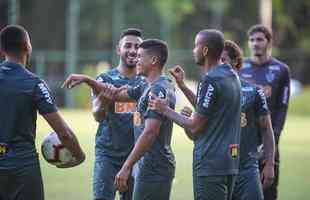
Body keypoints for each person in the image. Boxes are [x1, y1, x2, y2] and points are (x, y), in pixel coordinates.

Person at [63, 39, 176, 200]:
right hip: (144, 165)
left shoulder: (158, 89)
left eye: (140, 56)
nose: (136, 59)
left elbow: (150, 133)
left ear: (153, 60)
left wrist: (126, 166)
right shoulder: (147, 86)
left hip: (155, 168)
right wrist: (88, 81)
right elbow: (117, 94)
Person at [148, 29, 241, 200]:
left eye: (196, 46)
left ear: (205, 50)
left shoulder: (210, 79)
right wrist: (182, 85)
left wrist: (165, 109)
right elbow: (208, 108)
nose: (193, 50)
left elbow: (195, 125)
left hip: (210, 163)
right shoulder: (231, 75)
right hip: (230, 162)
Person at [0, 25, 85, 200]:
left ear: (1, 49)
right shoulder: (34, 84)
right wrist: (79, 156)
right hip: (23, 165)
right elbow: (64, 132)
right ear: (27, 47)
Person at [63, 28, 145, 200]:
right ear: (118, 49)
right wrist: (103, 104)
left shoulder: (145, 81)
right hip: (108, 154)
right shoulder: (104, 79)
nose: (133, 50)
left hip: (136, 155)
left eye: (137, 46)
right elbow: (97, 115)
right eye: (128, 46)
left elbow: (143, 118)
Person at [240, 24, 291, 200]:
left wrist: (273, 139)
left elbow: (282, 107)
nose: (255, 43)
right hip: (244, 138)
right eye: (252, 40)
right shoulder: (239, 68)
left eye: (260, 39)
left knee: (268, 189)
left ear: (269, 42)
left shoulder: (281, 70)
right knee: (239, 190)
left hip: (269, 140)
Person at [221, 40, 275, 200]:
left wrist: (270, 164)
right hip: (218, 170)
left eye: (223, 60)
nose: (219, 64)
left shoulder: (254, 91)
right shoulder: (210, 92)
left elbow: (266, 129)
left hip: (247, 169)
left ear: (235, 61)